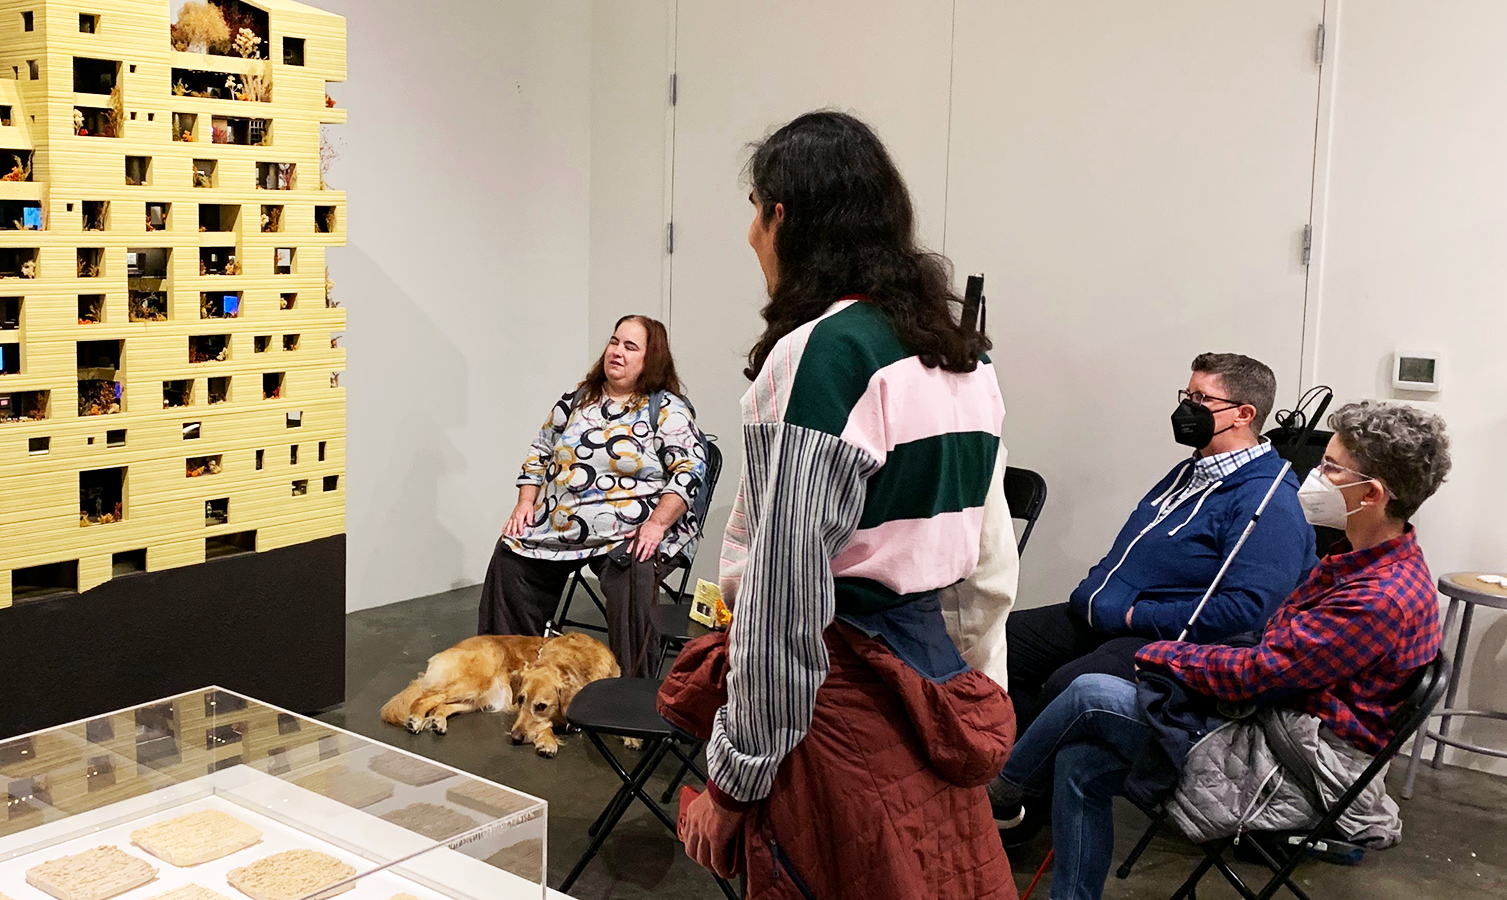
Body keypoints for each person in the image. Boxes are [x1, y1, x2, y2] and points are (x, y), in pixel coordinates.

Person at [664, 111, 1014, 899]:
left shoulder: (828, 354)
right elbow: (989, 560)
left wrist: (734, 780)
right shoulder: (962, 350)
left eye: (754, 210)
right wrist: (974, 691)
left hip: (835, 703)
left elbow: (783, 599)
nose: (750, 235)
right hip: (933, 685)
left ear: (782, 214)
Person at [990, 401, 1449, 900]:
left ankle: (1003, 791)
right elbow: (1276, 652)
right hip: (1278, 718)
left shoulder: (1378, 597)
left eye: (1331, 466)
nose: (1314, 474)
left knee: (1089, 692)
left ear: (1373, 494)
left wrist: (1163, 655)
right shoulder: (1357, 560)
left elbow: (1264, 671)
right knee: (1079, 763)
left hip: (1298, 761)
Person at [1006, 353, 1315, 733]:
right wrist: (1095, 592)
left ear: (1244, 414)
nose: (1187, 408)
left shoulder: (1268, 501)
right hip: (1103, 613)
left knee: (1066, 686)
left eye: (1202, 399)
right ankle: (1008, 758)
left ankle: (1025, 780)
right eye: (1186, 395)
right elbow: (1131, 549)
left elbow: (1246, 611)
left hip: (1160, 634)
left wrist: (1137, 616)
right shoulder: (1191, 470)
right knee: (998, 646)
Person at [476, 314, 706, 678]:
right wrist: (525, 502)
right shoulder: (578, 399)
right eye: (614, 342)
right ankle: (508, 674)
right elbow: (540, 450)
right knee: (511, 556)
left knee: (636, 570)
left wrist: (657, 524)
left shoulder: (665, 409)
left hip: (630, 530)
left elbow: (689, 471)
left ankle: (631, 693)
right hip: (562, 526)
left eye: (631, 346)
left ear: (652, 358)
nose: (617, 351)